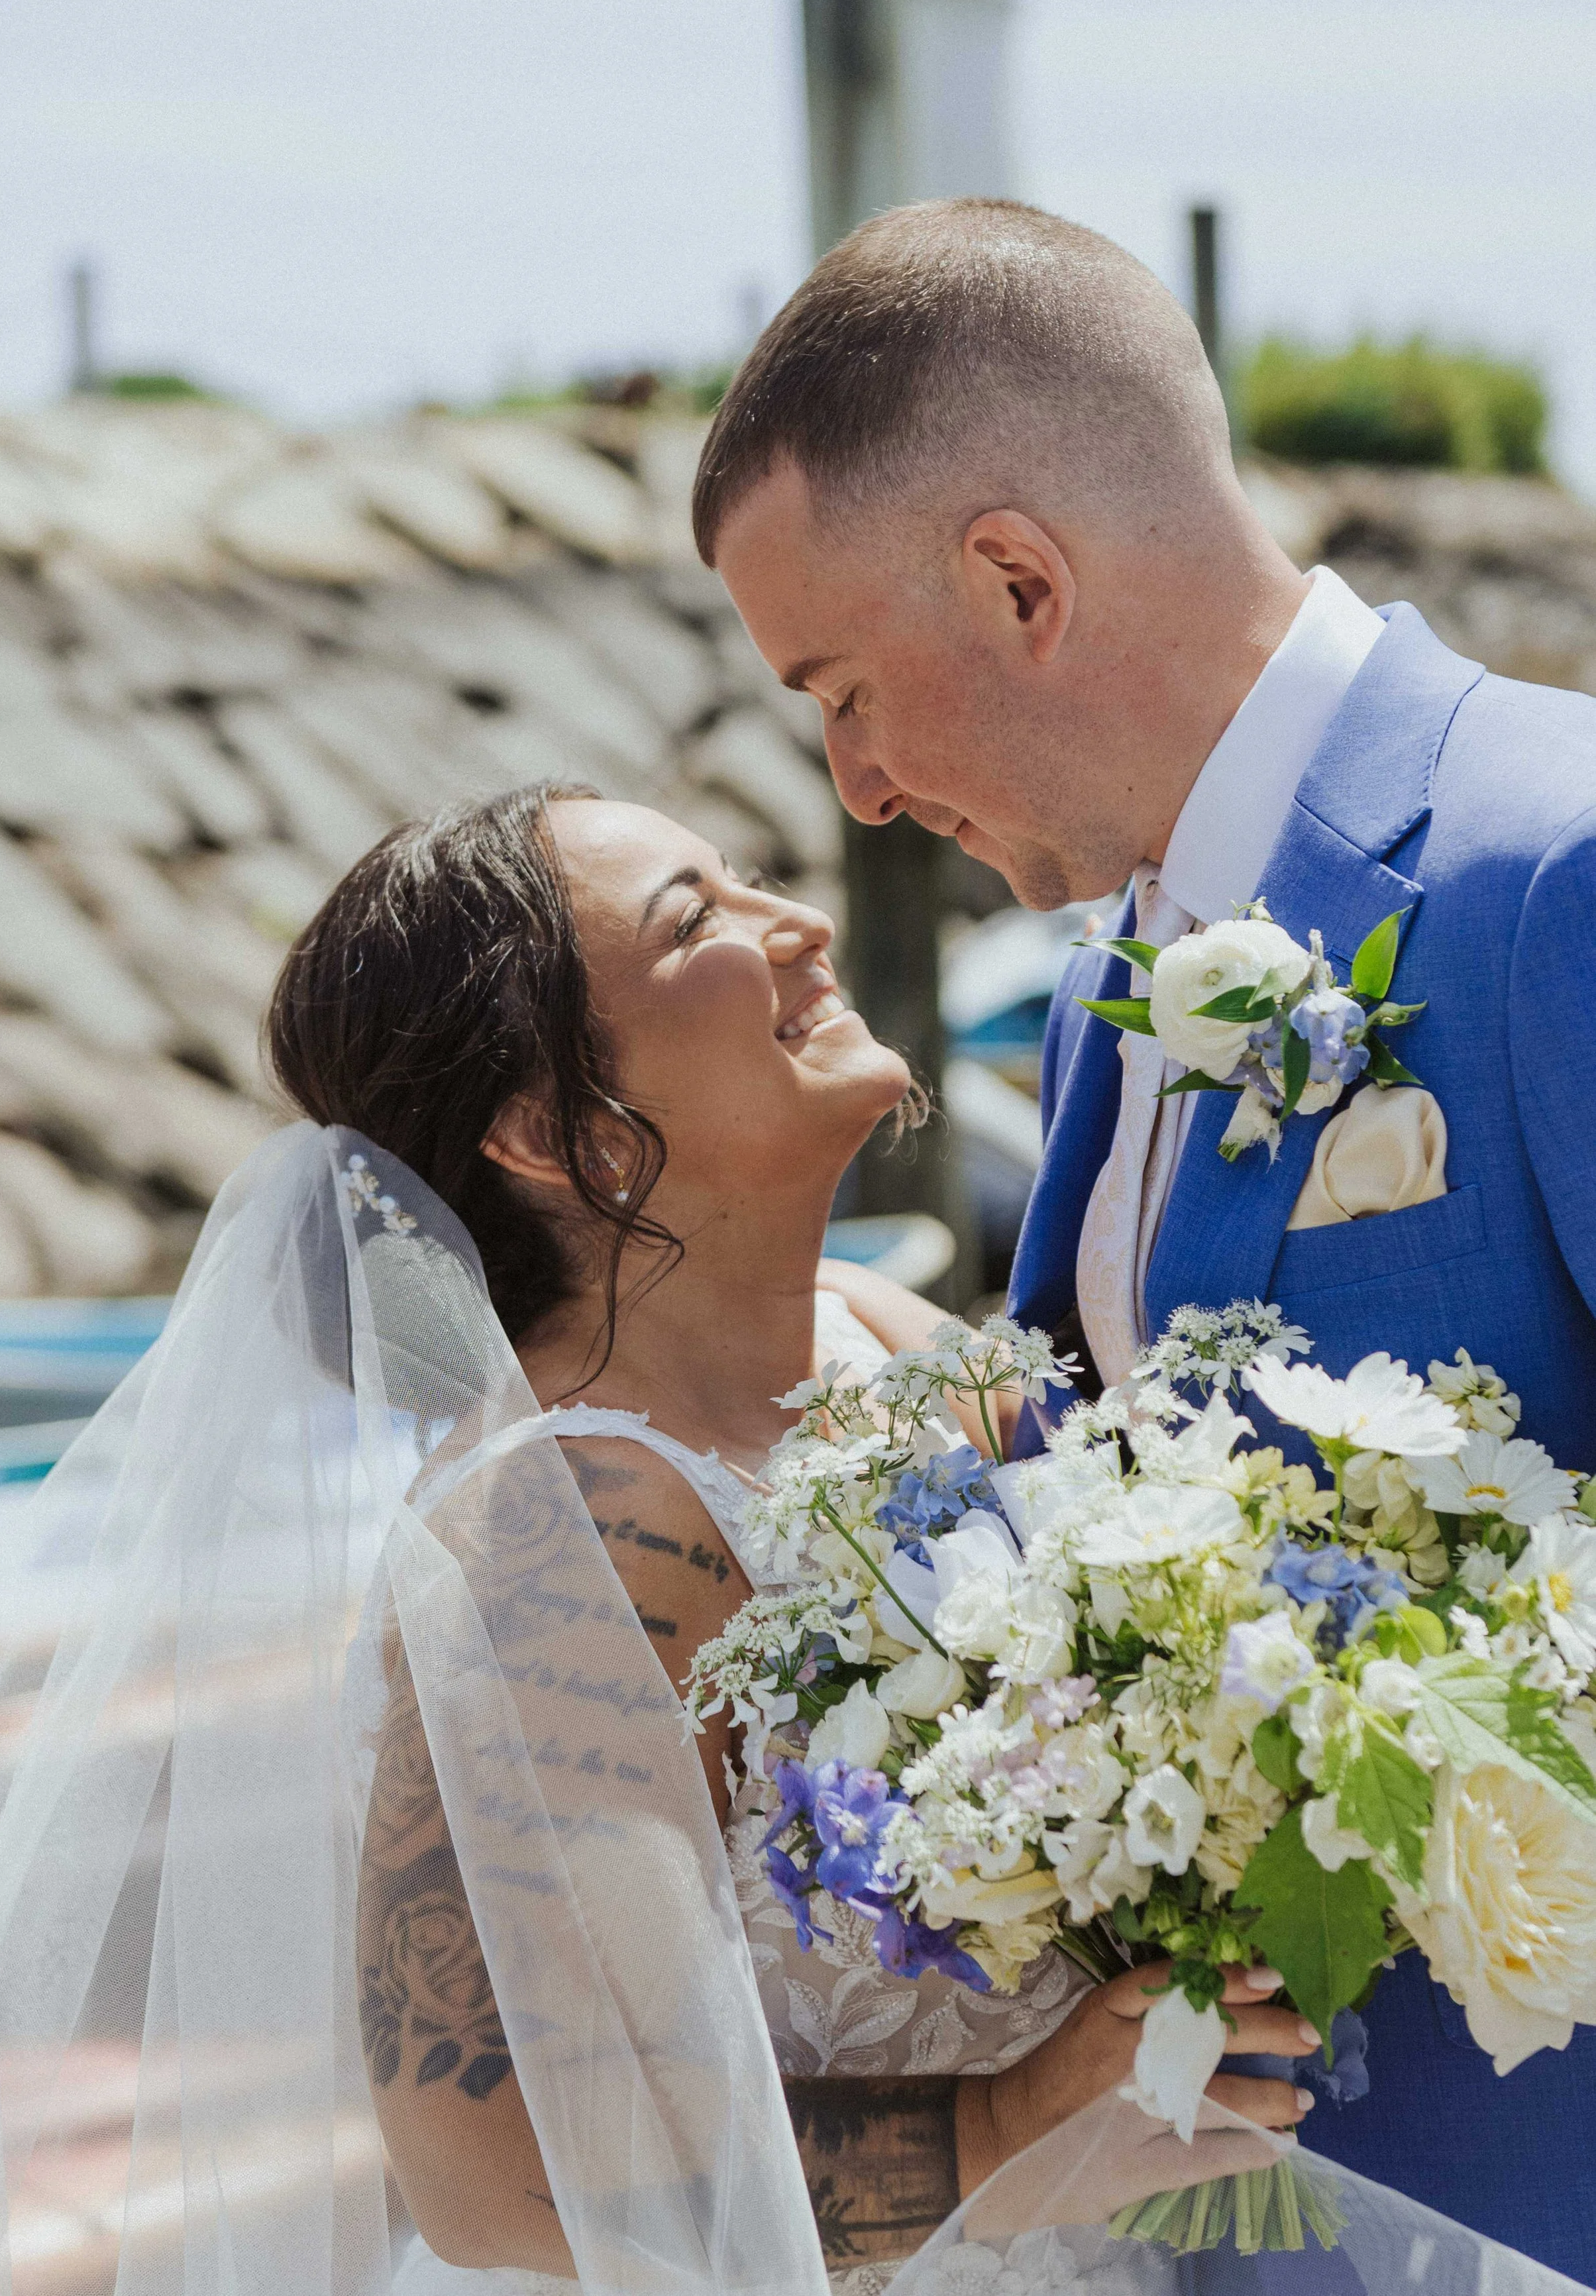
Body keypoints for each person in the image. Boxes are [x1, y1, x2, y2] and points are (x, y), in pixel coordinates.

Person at [0, 784, 1320, 2296]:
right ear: (558, 1135)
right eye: (695, 922)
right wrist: (999, 2131)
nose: (795, 927)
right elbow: (494, 2182)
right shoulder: (558, 1533)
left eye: (742, 882)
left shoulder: (883, 1337)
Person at [697, 196, 1596, 2283]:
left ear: (1018, 577)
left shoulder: (1551, 864)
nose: (854, 783)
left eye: (840, 687)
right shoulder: (1124, 967)